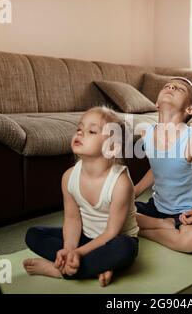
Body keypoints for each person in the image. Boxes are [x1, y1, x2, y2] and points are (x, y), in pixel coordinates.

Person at [23, 107, 139, 287]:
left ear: (111, 147)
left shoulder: (121, 183)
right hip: (85, 237)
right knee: (34, 235)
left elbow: (111, 232)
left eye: (91, 131)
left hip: (112, 240)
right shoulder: (69, 176)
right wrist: (69, 249)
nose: (81, 133)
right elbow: (72, 219)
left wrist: (79, 253)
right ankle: (97, 266)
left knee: (125, 249)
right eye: (79, 129)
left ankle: (59, 271)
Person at [134, 77, 192, 253]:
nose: (171, 87)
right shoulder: (146, 133)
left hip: (185, 212)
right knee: (107, 213)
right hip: (156, 207)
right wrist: (133, 192)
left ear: (190, 109)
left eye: (179, 89)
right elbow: (158, 168)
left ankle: (141, 230)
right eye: (168, 86)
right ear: (157, 103)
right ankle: (161, 224)